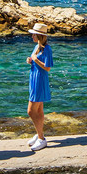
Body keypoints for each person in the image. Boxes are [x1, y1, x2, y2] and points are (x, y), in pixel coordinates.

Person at [26, 22, 53, 151]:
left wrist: (35, 60)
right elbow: (35, 59)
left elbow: (47, 68)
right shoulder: (37, 47)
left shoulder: (47, 49)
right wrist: (30, 60)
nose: (32, 36)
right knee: (39, 110)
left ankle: (41, 139)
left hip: (39, 80)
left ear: (39, 36)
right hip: (34, 78)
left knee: (31, 111)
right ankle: (39, 133)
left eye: (34, 35)